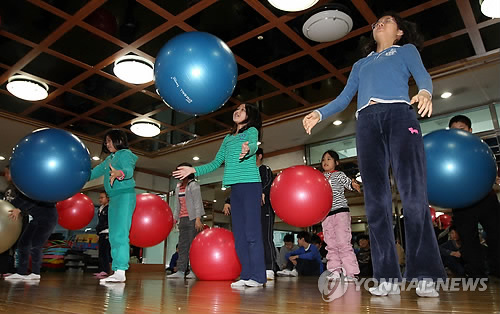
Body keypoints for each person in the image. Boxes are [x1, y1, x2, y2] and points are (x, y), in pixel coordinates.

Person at [302, 12, 446, 297]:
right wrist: (320, 112)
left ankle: (425, 273)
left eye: (387, 20)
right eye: (376, 21)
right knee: (375, 203)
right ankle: (387, 277)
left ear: (400, 32)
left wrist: (426, 92)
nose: (379, 23)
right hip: (366, 122)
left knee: (414, 196)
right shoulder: (361, 63)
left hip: (399, 115)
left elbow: (422, 76)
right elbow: (345, 98)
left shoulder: (406, 50)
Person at [173, 103, 266, 288]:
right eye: (237, 108)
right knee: (239, 235)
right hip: (236, 189)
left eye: (242, 110)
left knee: (252, 233)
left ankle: (258, 276)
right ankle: (246, 275)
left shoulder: (252, 131)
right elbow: (215, 163)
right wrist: (194, 169)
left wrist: (249, 150)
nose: (237, 111)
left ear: (250, 116)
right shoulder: (228, 138)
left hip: (250, 186)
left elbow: (254, 145)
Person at [449, 115, 500, 278]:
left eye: (462, 129)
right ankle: (475, 274)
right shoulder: (447, 152)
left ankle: (497, 269)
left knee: (496, 235)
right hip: (461, 202)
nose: (458, 132)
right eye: (454, 130)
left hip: (486, 198)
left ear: (470, 130)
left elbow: (491, 167)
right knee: (468, 239)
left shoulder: (481, 148)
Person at [90, 129, 138, 283]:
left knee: (121, 234)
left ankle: (120, 271)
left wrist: (119, 173)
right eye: (106, 141)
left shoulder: (125, 154)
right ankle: (117, 270)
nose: (107, 144)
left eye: (110, 140)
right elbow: (93, 173)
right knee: (113, 234)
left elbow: (129, 170)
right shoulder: (108, 159)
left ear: (119, 140)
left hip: (125, 196)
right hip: (114, 198)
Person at [4, 165, 58, 281]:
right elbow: (19, 201)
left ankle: (35, 273)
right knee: (23, 243)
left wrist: (19, 210)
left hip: (48, 218)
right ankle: (21, 272)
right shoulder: (21, 188)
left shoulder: (34, 185)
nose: (6, 176)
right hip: (36, 219)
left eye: (8, 173)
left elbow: (34, 200)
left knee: (36, 245)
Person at [320, 150, 361, 281]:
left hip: (340, 212)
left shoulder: (339, 174)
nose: (325, 162)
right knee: (330, 243)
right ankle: (334, 270)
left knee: (343, 242)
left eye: (329, 159)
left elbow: (348, 183)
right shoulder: (319, 177)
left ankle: (350, 272)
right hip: (326, 215)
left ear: (336, 163)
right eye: (323, 159)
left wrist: (353, 185)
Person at [168, 162, 205, 279]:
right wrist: (174, 220)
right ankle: (180, 270)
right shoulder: (178, 187)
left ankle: (194, 271)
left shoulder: (194, 185)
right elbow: (177, 206)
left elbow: (198, 203)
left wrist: (198, 219)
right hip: (183, 220)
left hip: (193, 219)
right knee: (182, 246)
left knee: (193, 247)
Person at [256, 148, 278, 280]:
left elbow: (269, 183)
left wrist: (263, 192)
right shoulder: (248, 172)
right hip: (253, 210)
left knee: (266, 238)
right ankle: (257, 267)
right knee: (255, 239)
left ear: (260, 156)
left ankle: (270, 267)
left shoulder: (265, 169)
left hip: (266, 209)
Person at [94, 191, 111, 279]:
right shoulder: (101, 208)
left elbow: (108, 222)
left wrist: (100, 228)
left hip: (107, 232)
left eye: (102, 197)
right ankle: (102, 270)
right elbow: (100, 222)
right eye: (99, 198)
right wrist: (98, 231)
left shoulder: (109, 208)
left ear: (107, 198)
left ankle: (106, 270)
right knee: (101, 252)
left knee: (105, 252)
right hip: (101, 232)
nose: (100, 199)